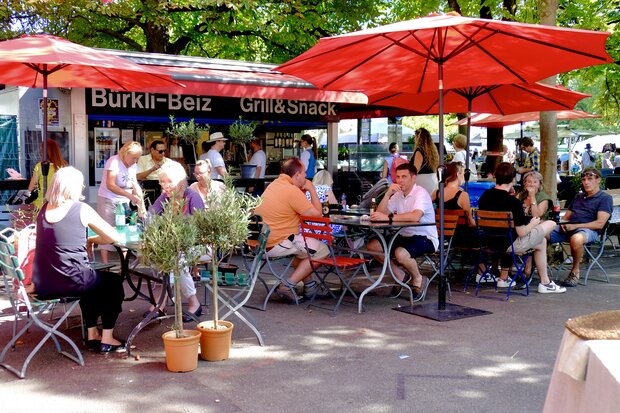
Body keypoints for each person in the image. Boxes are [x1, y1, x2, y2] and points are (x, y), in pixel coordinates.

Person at [32, 166, 126, 353]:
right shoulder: (81, 209)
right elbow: (113, 236)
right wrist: (92, 240)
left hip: (44, 283)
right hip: (71, 282)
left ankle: (92, 334)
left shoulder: (43, 210)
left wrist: (88, 240)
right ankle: (107, 338)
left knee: (91, 280)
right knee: (113, 283)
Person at [477, 163, 565, 293]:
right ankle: (545, 283)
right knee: (551, 223)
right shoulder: (514, 202)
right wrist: (534, 224)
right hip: (510, 245)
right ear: (513, 179)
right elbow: (521, 231)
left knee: (541, 241)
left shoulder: (485, 196)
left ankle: (544, 282)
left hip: (488, 243)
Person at [254, 157, 329, 303]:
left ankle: (310, 286)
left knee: (305, 251)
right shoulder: (291, 190)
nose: (306, 177)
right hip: (277, 242)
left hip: (259, 243)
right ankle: (287, 285)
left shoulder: (273, 185)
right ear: (297, 175)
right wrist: (311, 189)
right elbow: (317, 216)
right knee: (322, 250)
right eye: (304, 173)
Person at [367, 163, 438, 300]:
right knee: (373, 246)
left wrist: (389, 218)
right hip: (404, 235)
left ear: (413, 178)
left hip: (425, 237)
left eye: (404, 177)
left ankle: (418, 278)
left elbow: (416, 216)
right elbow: (379, 215)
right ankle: (399, 274)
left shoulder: (420, 193)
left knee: (400, 253)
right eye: (397, 177)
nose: (399, 180)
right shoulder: (397, 194)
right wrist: (388, 194)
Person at [150, 161, 205, 321]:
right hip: (176, 246)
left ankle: (193, 303)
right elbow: (151, 214)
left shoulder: (192, 196)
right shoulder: (165, 197)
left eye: (169, 182)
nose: (165, 186)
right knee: (165, 257)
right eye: (162, 182)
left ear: (180, 181)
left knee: (176, 261)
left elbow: (199, 228)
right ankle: (161, 302)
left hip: (198, 245)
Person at [548, 167, 613, 287]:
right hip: (570, 227)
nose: (586, 182)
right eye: (584, 179)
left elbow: (599, 224)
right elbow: (566, 217)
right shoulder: (578, 197)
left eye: (590, 179)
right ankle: (532, 270)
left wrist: (575, 226)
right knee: (542, 232)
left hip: (589, 230)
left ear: (598, 180)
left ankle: (575, 271)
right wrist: (563, 224)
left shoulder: (605, 198)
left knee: (576, 239)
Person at [97, 141, 145, 263]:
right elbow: (110, 185)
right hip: (108, 199)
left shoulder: (133, 165)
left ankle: (124, 265)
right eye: (134, 158)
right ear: (125, 154)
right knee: (106, 230)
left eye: (137, 158)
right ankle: (105, 265)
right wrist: (129, 195)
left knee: (124, 232)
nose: (135, 161)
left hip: (124, 202)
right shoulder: (114, 162)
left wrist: (141, 204)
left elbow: (135, 185)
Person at [431, 162, 476, 228]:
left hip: (439, 232)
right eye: (463, 174)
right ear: (458, 174)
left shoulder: (436, 192)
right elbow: (470, 222)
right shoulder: (463, 195)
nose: (463, 178)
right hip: (458, 235)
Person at [27, 139, 69, 209]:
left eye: (41, 151)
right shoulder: (64, 166)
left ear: (44, 152)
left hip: (42, 205)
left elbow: (31, 188)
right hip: (61, 205)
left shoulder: (39, 166)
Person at [410, 127, 439, 195]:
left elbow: (416, 169)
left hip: (422, 181)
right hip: (433, 179)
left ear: (418, 138)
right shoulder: (433, 151)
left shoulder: (419, 151)